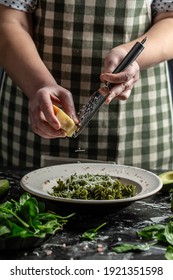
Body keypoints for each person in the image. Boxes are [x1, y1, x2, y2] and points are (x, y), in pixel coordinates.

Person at [0, 0, 173, 169]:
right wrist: (39, 85)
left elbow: (169, 18)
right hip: (35, 106)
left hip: (138, 120)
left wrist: (132, 56)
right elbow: (8, 19)